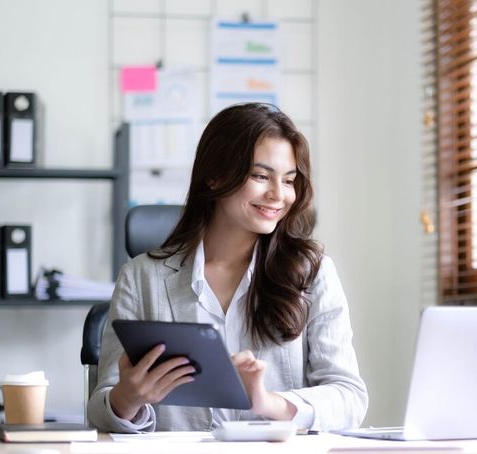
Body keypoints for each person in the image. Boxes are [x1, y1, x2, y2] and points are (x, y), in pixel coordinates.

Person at [88, 103, 368, 433]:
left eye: (289, 180)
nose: (279, 195)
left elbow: (350, 398)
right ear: (215, 176)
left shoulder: (313, 273)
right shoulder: (141, 278)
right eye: (261, 176)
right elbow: (99, 409)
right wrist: (126, 399)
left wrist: (268, 402)